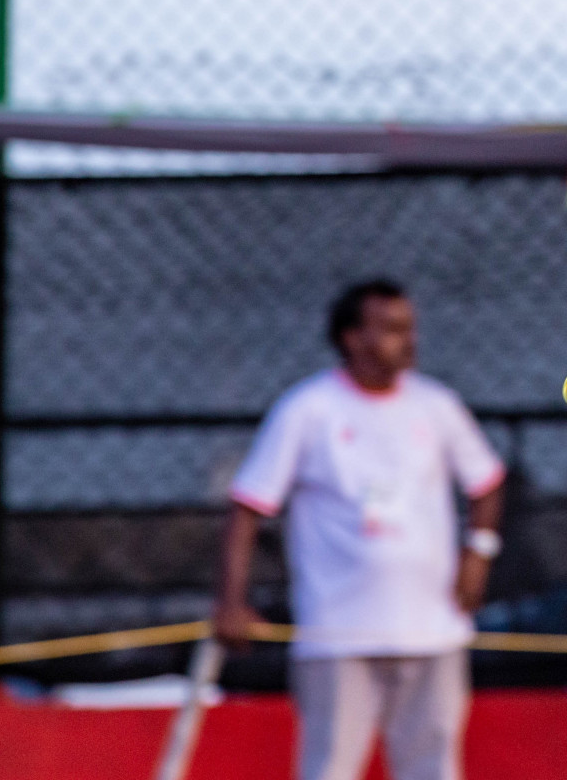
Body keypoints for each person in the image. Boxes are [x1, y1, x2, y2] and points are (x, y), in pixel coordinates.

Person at [213, 279, 506, 780]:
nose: (408, 340)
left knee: (433, 769)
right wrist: (231, 602)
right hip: (337, 635)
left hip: (432, 631)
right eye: (392, 329)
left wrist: (478, 553)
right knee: (330, 769)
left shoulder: (437, 405)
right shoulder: (307, 409)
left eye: (409, 327)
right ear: (353, 337)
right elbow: (248, 508)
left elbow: (485, 483)